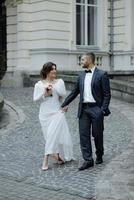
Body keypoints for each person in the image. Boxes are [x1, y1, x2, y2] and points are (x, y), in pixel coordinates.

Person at [61, 52, 111, 171]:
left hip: (96, 109)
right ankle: (88, 160)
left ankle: (99, 154)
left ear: (89, 60)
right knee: (83, 135)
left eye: (83, 60)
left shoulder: (102, 74)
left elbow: (107, 94)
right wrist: (63, 104)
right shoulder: (81, 75)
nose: (81, 62)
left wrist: (102, 110)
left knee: (97, 134)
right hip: (83, 109)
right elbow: (74, 92)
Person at [33, 62, 73, 171]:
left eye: (55, 69)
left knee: (51, 134)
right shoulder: (39, 84)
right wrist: (44, 93)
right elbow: (35, 99)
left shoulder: (60, 82)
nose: (54, 71)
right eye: (52, 70)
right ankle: (55, 155)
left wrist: (65, 105)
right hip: (44, 113)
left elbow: (63, 94)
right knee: (48, 136)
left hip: (57, 111)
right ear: (46, 71)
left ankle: (45, 158)